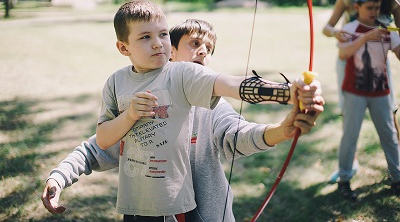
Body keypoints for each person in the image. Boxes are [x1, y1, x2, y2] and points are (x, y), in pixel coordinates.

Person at [42, 17, 324, 221]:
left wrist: (284, 122)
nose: (204, 51)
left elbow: (239, 136)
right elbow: (98, 147)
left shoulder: (213, 105)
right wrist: (59, 177)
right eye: (195, 43)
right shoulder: (142, 102)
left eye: (209, 48)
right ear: (170, 53)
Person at [322, 0, 400, 183]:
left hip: (379, 63)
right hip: (349, 59)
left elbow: (397, 33)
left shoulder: (392, 0)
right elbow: (327, 28)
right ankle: (349, 166)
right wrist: (337, 33)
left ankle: (396, 170)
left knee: (389, 113)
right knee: (351, 117)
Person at [336, 0, 400, 201]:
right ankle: (344, 180)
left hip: (381, 92)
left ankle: (397, 178)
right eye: (369, 7)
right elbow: (343, 54)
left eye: (377, 7)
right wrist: (365, 37)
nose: (374, 12)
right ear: (357, 7)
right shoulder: (350, 29)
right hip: (355, 91)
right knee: (350, 136)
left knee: (389, 136)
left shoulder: (386, 28)